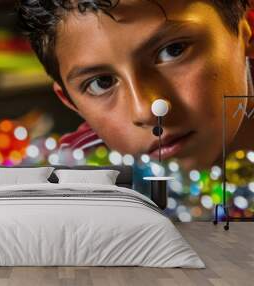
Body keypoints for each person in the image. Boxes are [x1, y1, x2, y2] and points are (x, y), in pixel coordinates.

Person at [17, 0, 254, 170]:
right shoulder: (68, 186)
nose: (146, 110)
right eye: (102, 83)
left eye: (173, 51)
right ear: (71, 102)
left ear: (247, 34)